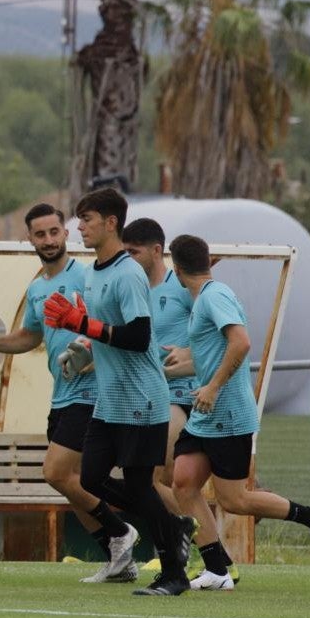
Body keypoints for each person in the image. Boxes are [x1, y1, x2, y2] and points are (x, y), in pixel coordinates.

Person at [0, 203, 136, 583]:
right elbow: (31, 336)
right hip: (61, 396)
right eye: (40, 234)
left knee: (56, 472)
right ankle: (119, 562)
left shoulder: (87, 276)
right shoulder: (37, 288)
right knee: (74, 482)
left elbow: (114, 327)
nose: (48, 240)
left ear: (66, 233)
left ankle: (121, 532)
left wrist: (90, 358)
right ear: (29, 238)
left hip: (92, 393)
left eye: (54, 232)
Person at [45, 187, 188, 596]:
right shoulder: (93, 272)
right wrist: (79, 343)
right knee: (89, 478)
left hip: (142, 399)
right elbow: (102, 332)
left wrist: (83, 325)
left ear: (111, 223)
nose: (80, 228)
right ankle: (169, 523)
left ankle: (174, 573)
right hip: (110, 401)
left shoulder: (128, 273)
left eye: (86, 220)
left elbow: (140, 337)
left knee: (140, 487)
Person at [167, 235, 310, 591]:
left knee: (234, 500)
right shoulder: (203, 296)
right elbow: (211, 357)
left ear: (176, 268)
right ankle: (217, 570)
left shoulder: (214, 296)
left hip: (228, 414)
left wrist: (213, 386)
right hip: (206, 415)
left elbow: (241, 343)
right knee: (183, 484)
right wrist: (176, 367)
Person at [122, 218, 228, 581]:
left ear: (156, 250)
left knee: (158, 478)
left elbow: (218, 328)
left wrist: (189, 349)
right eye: (125, 252)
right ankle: (207, 555)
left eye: (134, 251)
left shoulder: (182, 286)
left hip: (182, 396)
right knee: (159, 481)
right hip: (150, 397)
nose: (129, 258)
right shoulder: (133, 291)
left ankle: (193, 551)